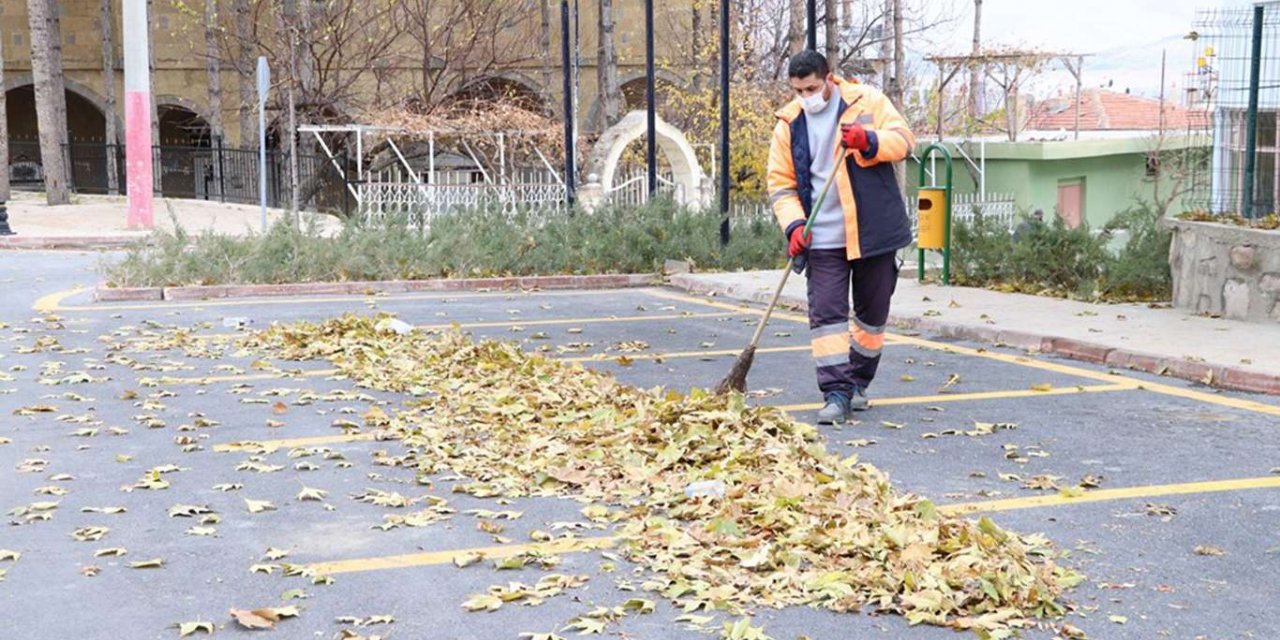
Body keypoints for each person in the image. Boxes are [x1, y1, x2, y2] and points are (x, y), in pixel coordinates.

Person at [766, 50, 916, 424]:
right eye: (798, 90)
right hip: (822, 238)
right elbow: (781, 185)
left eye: (812, 88)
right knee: (827, 316)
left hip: (872, 231)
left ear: (829, 78)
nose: (806, 97)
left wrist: (869, 140)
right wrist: (794, 225)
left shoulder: (867, 101)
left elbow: (904, 141)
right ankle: (835, 393)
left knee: (872, 315)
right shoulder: (788, 124)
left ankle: (858, 383)